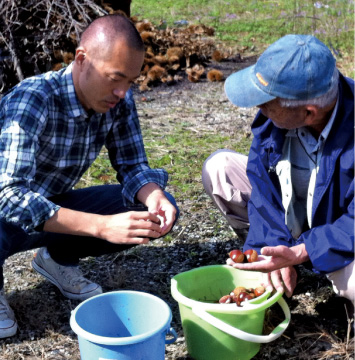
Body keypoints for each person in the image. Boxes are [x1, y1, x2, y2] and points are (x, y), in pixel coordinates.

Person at [0, 14, 178, 338]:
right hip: (6, 212)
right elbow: (8, 195)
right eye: (116, 78)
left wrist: (155, 197)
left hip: (50, 208)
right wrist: (101, 226)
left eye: (131, 82)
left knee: (146, 212)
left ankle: (57, 259)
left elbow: (133, 164)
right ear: (82, 59)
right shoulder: (34, 99)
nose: (123, 92)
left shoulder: (117, 100)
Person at [202, 35, 354, 307]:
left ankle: (327, 269)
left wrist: (303, 251)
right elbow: (263, 189)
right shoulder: (279, 116)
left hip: (340, 235)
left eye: (264, 104)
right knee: (220, 169)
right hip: (302, 219)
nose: (258, 109)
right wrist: (270, 250)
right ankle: (281, 264)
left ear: (309, 113)